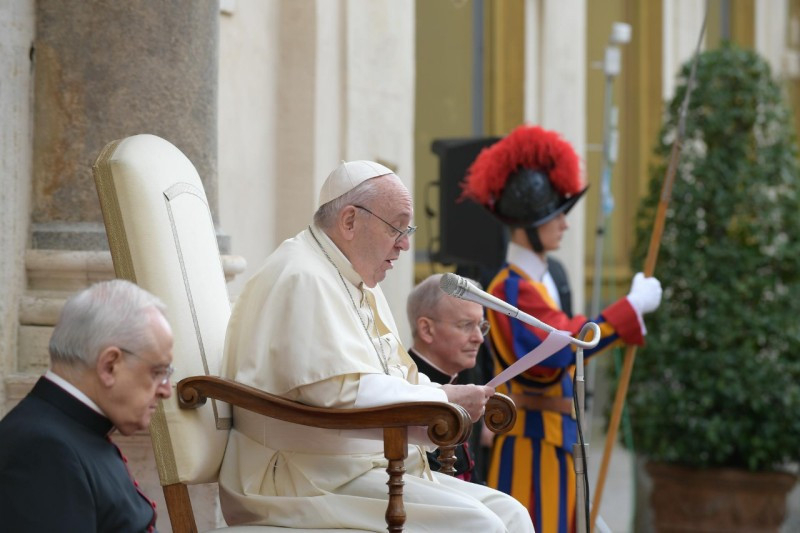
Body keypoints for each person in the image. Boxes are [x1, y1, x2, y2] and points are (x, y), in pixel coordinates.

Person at [219, 160, 534, 532]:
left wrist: (442, 398)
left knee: (512, 513)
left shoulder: (355, 280)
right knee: (481, 526)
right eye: (396, 227)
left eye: (407, 229)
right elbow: (339, 393)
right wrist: (443, 401)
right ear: (349, 221)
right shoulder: (302, 276)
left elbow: (390, 377)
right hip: (301, 478)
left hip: (356, 466)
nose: (404, 244)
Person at [461, 125, 662, 533]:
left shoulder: (543, 280)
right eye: (554, 217)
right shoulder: (512, 286)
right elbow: (561, 345)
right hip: (530, 441)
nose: (565, 226)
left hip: (556, 437)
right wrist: (629, 310)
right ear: (525, 226)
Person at [0, 279, 174, 532]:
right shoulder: (43, 450)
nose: (167, 390)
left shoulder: (69, 431)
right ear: (109, 366)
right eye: (157, 372)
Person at [406, 273, 490, 482]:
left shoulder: (466, 389)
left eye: (481, 326)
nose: (479, 337)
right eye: (466, 325)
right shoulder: (406, 388)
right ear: (426, 329)